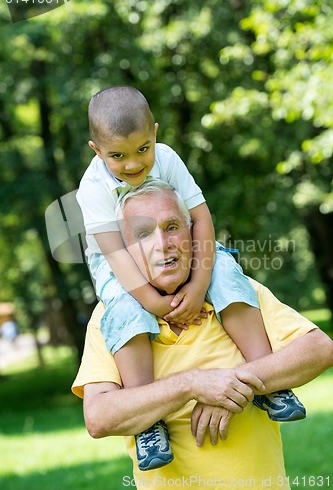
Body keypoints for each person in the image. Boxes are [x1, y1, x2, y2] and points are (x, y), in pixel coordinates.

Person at [76, 86, 304, 471]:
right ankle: (148, 423)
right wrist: (155, 303)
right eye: (118, 156)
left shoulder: (167, 158)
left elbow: (201, 218)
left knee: (228, 270)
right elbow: (116, 254)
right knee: (123, 311)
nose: (133, 165)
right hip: (118, 263)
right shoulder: (92, 188)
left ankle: (270, 379)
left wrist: (199, 284)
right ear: (96, 150)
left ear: (156, 134)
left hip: (183, 245)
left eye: (142, 149)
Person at [72, 182, 333, 489]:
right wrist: (191, 385)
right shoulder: (111, 317)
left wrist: (231, 385)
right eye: (143, 234)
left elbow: (319, 349)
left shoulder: (235, 292)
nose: (162, 243)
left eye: (172, 227)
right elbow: (99, 417)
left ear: (193, 235)